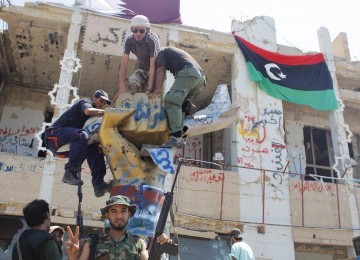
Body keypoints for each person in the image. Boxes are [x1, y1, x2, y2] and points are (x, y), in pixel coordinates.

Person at [45, 90, 111, 197]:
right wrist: (108, 113)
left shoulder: (93, 119)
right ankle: (69, 173)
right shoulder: (85, 102)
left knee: (96, 150)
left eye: (104, 103)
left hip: (71, 142)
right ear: (93, 97)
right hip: (54, 136)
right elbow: (87, 111)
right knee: (82, 135)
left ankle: (99, 185)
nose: (102, 104)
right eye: (101, 100)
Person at [65, 195, 172, 260]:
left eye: (123, 211)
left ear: (129, 213)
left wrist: (159, 246)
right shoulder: (92, 241)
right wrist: (73, 255)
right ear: (107, 215)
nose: (119, 216)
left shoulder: (139, 244)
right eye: (114, 211)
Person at [151, 46, 206, 148]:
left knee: (172, 100)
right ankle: (186, 105)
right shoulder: (172, 52)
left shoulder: (160, 52)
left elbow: (161, 70)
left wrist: (157, 90)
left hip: (188, 73)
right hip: (199, 78)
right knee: (179, 104)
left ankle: (176, 137)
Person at [116, 15, 161, 97]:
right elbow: (124, 64)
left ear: (147, 30)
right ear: (131, 29)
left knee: (153, 97)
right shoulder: (128, 40)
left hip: (156, 72)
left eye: (142, 30)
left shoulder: (153, 40)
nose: (138, 33)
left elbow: (152, 67)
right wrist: (122, 87)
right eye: (134, 30)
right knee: (132, 82)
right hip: (142, 70)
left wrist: (149, 89)